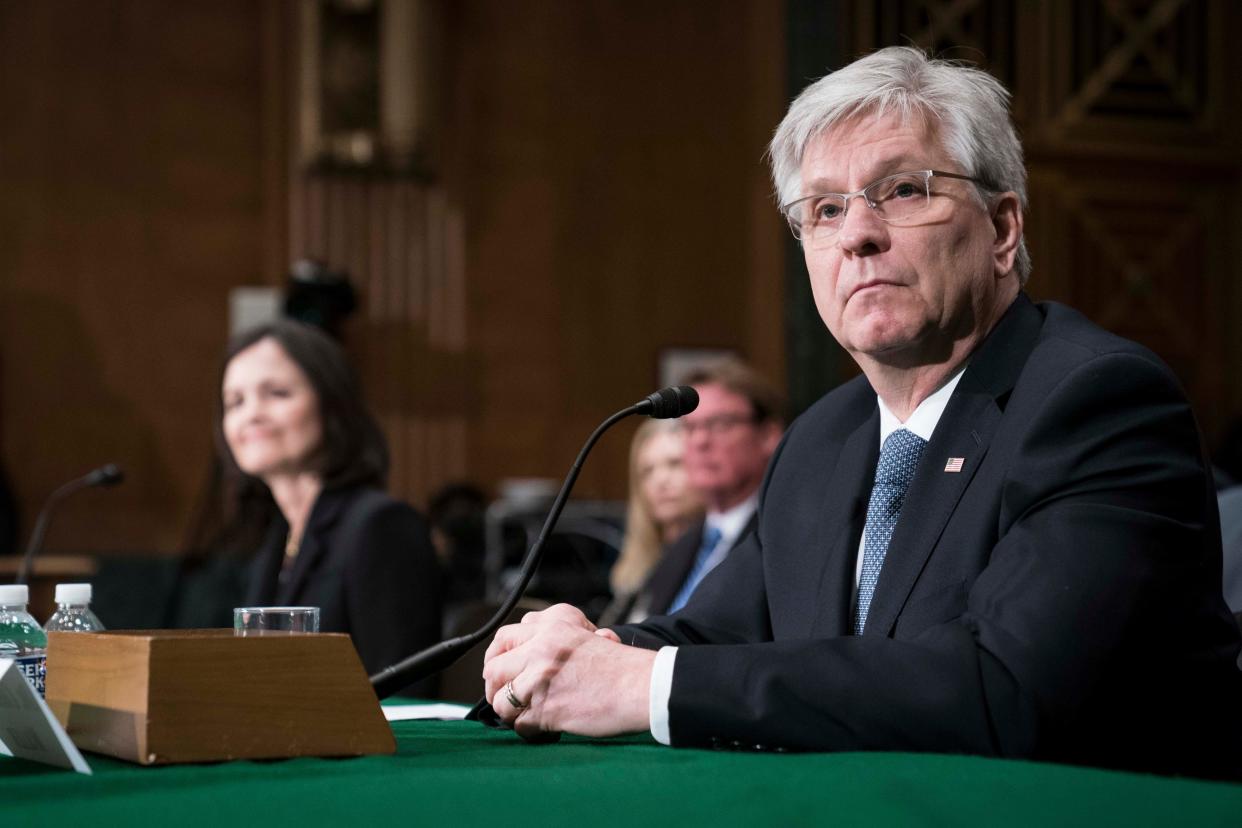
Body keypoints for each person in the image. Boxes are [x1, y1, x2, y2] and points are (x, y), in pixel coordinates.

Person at [480, 46, 1242, 777]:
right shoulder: (825, 436)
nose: (857, 235)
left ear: (1004, 229)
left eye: (905, 190)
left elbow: (1007, 688)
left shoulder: (1097, 401)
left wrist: (638, 685)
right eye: (823, 209)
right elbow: (714, 635)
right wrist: (577, 650)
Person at [219, 319, 441, 691]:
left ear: (332, 403)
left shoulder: (382, 526)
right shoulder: (274, 540)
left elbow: (406, 695)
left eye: (277, 393)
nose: (251, 413)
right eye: (235, 401)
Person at [629, 360, 783, 619]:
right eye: (689, 427)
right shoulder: (682, 545)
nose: (700, 441)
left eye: (720, 424)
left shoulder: (783, 536)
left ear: (768, 435)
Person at [598, 419, 704, 625]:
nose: (661, 480)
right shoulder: (637, 569)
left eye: (675, 463)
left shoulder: (717, 556)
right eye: (647, 471)